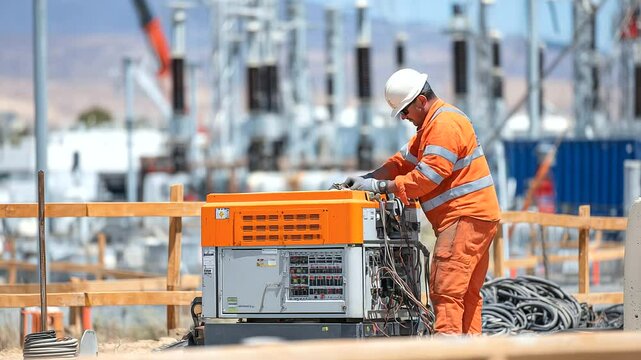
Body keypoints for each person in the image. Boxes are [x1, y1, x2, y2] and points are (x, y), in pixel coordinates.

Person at [343, 68, 500, 335]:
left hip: (464, 217)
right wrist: (366, 178)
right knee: (467, 295)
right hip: (476, 218)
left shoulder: (444, 126)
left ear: (421, 101)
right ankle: (472, 350)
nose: (404, 117)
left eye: (405, 111)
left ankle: (448, 351)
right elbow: (401, 163)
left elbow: (427, 177)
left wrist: (381, 187)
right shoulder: (430, 126)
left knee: (446, 289)